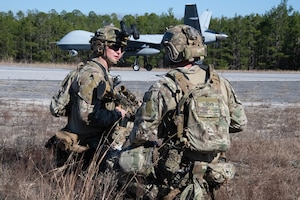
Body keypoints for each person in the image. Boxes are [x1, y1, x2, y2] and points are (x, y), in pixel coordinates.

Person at [120, 24, 247, 199]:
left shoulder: (164, 86)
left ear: (172, 50)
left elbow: (141, 134)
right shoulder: (219, 82)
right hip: (214, 170)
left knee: (120, 163)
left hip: (177, 171)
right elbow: (239, 123)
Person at [47, 24, 132, 170]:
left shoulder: (97, 71)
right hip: (87, 138)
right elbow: (87, 116)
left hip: (88, 134)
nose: (119, 52)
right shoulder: (93, 75)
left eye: (122, 49)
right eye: (115, 47)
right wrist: (117, 114)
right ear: (100, 47)